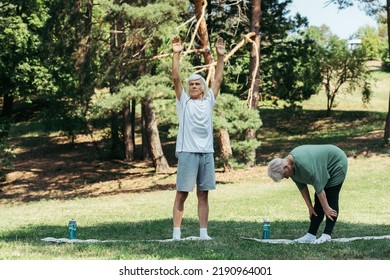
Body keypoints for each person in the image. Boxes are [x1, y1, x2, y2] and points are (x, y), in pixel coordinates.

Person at [171, 35, 225, 240]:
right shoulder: (183, 102)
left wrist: (220, 57)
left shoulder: (209, 99)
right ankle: (177, 233)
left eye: (197, 84)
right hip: (187, 153)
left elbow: (218, 79)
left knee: (203, 194)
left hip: (207, 154)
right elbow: (176, 78)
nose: (193, 86)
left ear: (202, 87)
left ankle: (204, 233)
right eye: (191, 84)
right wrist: (176, 53)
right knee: (182, 193)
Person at [267, 144, 348, 244]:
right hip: (322, 165)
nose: (286, 178)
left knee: (330, 197)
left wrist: (326, 208)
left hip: (336, 162)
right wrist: (310, 207)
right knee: (319, 201)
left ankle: (327, 235)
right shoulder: (290, 168)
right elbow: (302, 187)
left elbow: (319, 187)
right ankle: (311, 235)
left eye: (284, 176)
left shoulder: (305, 165)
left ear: (286, 167)